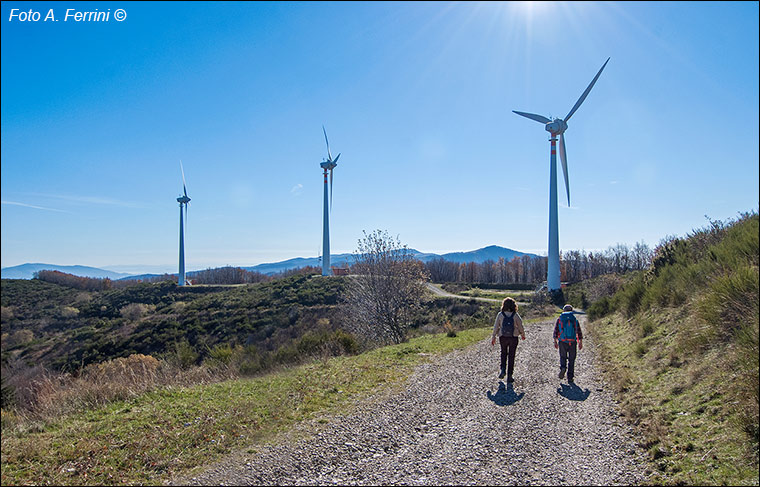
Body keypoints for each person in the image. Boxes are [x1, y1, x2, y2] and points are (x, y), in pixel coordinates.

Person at [490, 297, 526, 382]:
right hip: (513, 337)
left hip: (503, 337)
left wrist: (494, 336)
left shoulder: (500, 314)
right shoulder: (515, 315)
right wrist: (522, 334)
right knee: (511, 356)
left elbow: (496, 326)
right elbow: (520, 325)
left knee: (503, 353)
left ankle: (503, 369)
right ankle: (510, 375)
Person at [553, 304, 583, 383]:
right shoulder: (574, 319)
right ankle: (570, 377)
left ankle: (563, 368)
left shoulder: (560, 319)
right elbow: (578, 331)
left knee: (563, 357)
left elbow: (556, 331)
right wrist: (580, 342)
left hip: (562, 341)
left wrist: (555, 341)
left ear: (563, 310)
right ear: (572, 310)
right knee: (572, 359)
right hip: (572, 341)